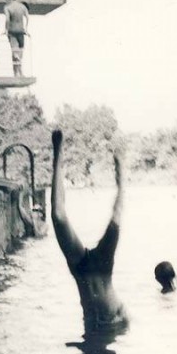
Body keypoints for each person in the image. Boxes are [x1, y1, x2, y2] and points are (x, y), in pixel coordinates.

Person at [51, 130, 128, 333]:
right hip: (97, 316)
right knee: (57, 215)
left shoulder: (92, 264)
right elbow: (58, 214)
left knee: (117, 215)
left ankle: (122, 175)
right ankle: (57, 155)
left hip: (112, 320)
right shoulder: (83, 266)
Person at [4, 0, 29, 77]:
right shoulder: (22, 6)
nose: (5, 2)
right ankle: (19, 72)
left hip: (12, 31)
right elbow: (27, 17)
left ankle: (16, 72)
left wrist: (6, 29)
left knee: (14, 52)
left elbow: (7, 19)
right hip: (21, 31)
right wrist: (26, 28)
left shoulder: (7, 7)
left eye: (6, 0)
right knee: (20, 52)